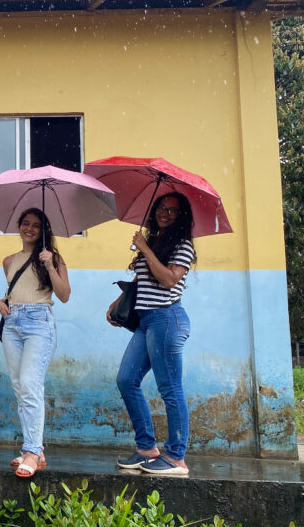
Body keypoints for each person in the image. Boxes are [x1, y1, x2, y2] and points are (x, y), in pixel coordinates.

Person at [108, 192, 196, 476]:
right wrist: (118, 302)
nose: (164, 213)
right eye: (161, 207)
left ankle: (176, 457)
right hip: (146, 321)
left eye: (172, 210)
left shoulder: (183, 246)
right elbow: (143, 280)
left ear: (181, 217)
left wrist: (145, 248)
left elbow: (168, 279)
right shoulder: (158, 241)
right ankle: (146, 448)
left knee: (170, 388)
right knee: (126, 379)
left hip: (167, 319)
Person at [0, 208, 70, 478]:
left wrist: (49, 265)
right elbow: (15, 292)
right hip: (12, 324)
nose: (29, 229)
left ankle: (32, 451)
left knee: (30, 384)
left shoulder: (54, 258)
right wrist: (1, 302)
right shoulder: (8, 261)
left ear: (43, 230)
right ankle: (35, 449)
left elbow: (64, 295)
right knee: (20, 388)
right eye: (25, 223)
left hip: (39, 324)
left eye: (36, 225)